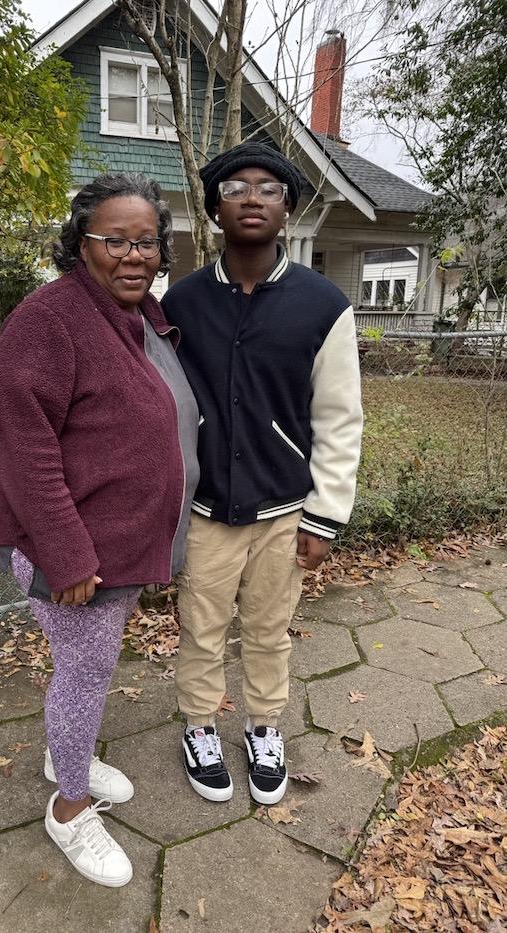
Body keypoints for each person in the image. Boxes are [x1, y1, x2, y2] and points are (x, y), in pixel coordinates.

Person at [0, 173, 199, 887]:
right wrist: (68, 552)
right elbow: (25, 448)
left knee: (84, 673)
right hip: (74, 553)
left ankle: (63, 754)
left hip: (120, 545)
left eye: (147, 242)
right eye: (115, 240)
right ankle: (69, 808)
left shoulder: (137, 316)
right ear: (80, 243)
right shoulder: (51, 320)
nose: (134, 255)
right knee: (83, 675)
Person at [161, 142, 363, 806]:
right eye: (237, 188)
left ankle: (264, 726)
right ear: (216, 207)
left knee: (271, 629)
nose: (252, 197)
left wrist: (325, 515)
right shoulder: (180, 302)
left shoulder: (322, 305)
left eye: (269, 188)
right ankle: (199, 725)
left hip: (284, 510)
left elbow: (339, 419)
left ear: (287, 208)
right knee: (202, 627)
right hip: (208, 510)